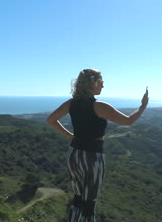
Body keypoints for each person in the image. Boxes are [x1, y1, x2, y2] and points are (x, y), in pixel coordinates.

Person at [47, 68, 149, 221]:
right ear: (91, 83)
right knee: (89, 202)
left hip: (74, 153)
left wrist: (70, 136)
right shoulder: (99, 106)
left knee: (78, 198)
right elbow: (128, 121)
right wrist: (142, 106)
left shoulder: (71, 103)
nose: (103, 86)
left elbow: (51, 120)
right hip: (92, 157)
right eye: (101, 82)